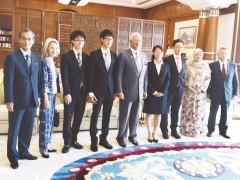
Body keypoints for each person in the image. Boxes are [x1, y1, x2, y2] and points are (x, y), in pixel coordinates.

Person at [4, 29, 40, 169]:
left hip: (32, 101)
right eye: (24, 38)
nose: (27, 41)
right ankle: (13, 157)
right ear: (19, 40)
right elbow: (8, 81)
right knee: (14, 130)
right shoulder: (12, 57)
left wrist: (38, 99)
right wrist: (9, 100)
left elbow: (37, 80)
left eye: (30, 39)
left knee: (27, 128)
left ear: (33, 41)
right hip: (17, 101)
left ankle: (24, 152)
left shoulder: (37, 57)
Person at [116, 32, 148, 147]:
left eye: (140, 40)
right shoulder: (123, 55)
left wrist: (145, 89)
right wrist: (119, 90)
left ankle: (132, 135)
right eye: (136, 40)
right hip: (126, 91)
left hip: (139, 92)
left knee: (135, 116)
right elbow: (118, 75)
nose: (138, 42)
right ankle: (121, 137)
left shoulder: (144, 55)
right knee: (124, 116)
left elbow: (144, 75)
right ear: (130, 42)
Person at [87, 29, 117, 152]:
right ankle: (93, 140)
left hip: (110, 91)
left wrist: (115, 90)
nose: (109, 41)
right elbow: (90, 75)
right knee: (95, 115)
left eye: (111, 39)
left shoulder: (114, 55)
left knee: (107, 116)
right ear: (101, 39)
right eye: (107, 39)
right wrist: (90, 91)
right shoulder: (94, 55)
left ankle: (104, 138)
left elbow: (114, 74)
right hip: (97, 91)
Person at [60, 30, 90, 153]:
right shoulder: (66, 57)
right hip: (70, 93)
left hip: (82, 93)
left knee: (78, 117)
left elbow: (89, 77)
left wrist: (89, 92)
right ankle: (67, 142)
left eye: (82, 40)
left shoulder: (87, 57)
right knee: (68, 117)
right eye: (77, 40)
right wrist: (66, 92)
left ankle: (74, 139)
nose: (80, 42)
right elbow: (64, 76)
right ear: (72, 41)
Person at [207, 47, 239, 139]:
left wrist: (235, 94)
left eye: (225, 53)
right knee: (213, 113)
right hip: (215, 93)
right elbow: (208, 81)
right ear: (218, 54)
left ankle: (223, 131)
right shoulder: (212, 65)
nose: (223, 55)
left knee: (225, 113)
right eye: (221, 53)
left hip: (227, 94)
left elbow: (235, 81)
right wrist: (208, 93)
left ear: (227, 55)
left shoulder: (233, 66)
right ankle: (210, 130)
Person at [180, 48, 211, 137]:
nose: (198, 56)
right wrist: (189, 87)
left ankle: (198, 131)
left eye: (200, 55)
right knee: (188, 112)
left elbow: (208, 79)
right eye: (196, 54)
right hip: (189, 92)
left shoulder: (205, 66)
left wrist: (201, 89)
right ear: (194, 55)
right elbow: (183, 78)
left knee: (199, 112)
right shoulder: (188, 65)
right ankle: (186, 130)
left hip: (200, 94)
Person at [143, 45, 170, 142]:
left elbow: (167, 80)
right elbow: (147, 79)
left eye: (161, 52)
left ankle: (155, 132)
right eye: (157, 51)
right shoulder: (148, 64)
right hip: (151, 93)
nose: (159, 53)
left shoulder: (166, 65)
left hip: (162, 94)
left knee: (159, 114)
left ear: (163, 54)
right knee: (149, 113)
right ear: (153, 53)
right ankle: (149, 132)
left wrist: (162, 92)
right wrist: (153, 91)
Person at [39, 38, 60, 158]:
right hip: (47, 96)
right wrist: (45, 97)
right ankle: (43, 148)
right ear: (47, 48)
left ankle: (48, 144)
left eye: (56, 48)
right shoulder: (44, 62)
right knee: (45, 122)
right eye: (51, 47)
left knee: (51, 122)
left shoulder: (53, 62)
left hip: (53, 95)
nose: (54, 50)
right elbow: (44, 82)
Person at [160, 39, 186, 139]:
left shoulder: (184, 60)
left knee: (176, 110)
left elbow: (182, 75)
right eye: (177, 46)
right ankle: (164, 130)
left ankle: (174, 130)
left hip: (179, 90)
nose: (179, 48)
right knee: (165, 110)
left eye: (181, 47)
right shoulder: (167, 59)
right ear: (173, 47)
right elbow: (164, 75)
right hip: (168, 89)